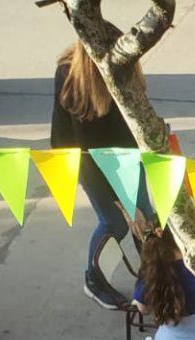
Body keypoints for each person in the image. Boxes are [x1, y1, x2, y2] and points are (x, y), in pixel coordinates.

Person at [50, 42, 150, 311]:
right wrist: (120, 202)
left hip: (126, 153)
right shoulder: (72, 76)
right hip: (85, 157)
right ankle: (94, 279)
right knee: (115, 221)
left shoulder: (125, 65)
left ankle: (156, 279)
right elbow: (86, 147)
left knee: (146, 219)